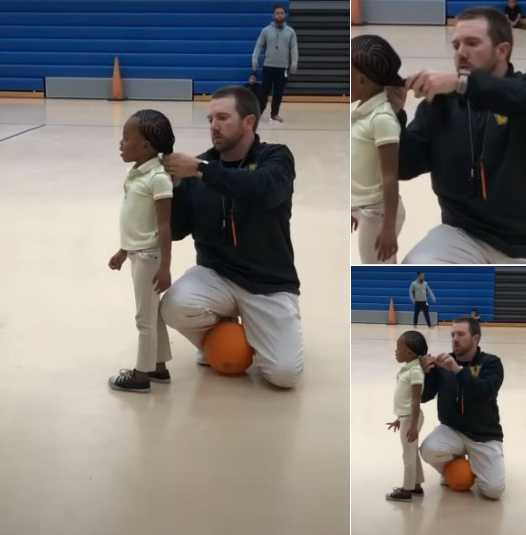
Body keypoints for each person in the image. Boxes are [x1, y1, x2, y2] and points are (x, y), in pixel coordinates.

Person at [160, 86, 303, 389]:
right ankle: (220, 334)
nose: (214, 125)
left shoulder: (276, 158)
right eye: (211, 118)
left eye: (223, 117)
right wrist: (166, 191)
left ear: (249, 121)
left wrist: (201, 171)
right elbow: (178, 230)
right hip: (216, 275)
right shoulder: (196, 170)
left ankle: (252, 334)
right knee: (173, 305)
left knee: (284, 375)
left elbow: (265, 189)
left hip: (268, 283)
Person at [388, 7, 526, 264]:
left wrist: (462, 83)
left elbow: (515, 95)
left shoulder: (520, 90)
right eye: (456, 44)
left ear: (502, 50)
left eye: (472, 43)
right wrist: (393, 115)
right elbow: (405, 166)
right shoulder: (439, 104)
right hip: (462, 235)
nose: (461, 52)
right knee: (415, 272)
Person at [108, 110, 176, 393]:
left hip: (150, 257)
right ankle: (159, 367)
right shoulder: (135, 173)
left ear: (146, 145)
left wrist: (165, 267)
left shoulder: (158, 179)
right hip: (137, 254)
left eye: (126, 138)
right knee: (153, 313)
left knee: (143, 318)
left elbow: (164, 227)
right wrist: (123, 252)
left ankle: (140, 376)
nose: (120, 143)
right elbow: (136, 220)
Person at [419, 317, 505, 500]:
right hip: (453, 429)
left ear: (476, 338)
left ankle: (478, 463)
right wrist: (425, 374)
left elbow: (485, 392)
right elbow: (424, 397)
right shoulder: (442, 366)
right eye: (452, 335)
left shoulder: (491, 363)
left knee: (493, 491)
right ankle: (455, 466)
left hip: (484, 435)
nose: (455, 339)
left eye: (460, 334)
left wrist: (457, 370)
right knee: (429, 448)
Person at [351, 35, 406, 264]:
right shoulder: (363, 110)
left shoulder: (381, 118)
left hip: (378, 213)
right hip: (365, 209)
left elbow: (390, 176)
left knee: (376, 269)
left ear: (362, 80)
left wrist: (388, 227)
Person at [385, 331, 427, 502]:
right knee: (412, 454)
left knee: (407, 457)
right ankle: (416, 486)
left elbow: (416, 401)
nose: (395, 352)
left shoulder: (415, 371)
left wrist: (413, 426)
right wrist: (398, 419)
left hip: (411, 419)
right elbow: (407, 398)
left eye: (398, 348)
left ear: (410, 352)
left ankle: (405, 492)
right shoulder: (409, 369)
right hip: (406, 418)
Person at [251, 3, 299, 123]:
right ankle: (259, 113)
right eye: (277, 13)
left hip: (282, 68)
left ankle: (274, 114)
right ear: (273, 15)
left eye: (282, 13)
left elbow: (294, 48)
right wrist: (254, 59)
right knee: (264, 93)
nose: (279, 15)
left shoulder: (290, 32)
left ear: (285, 15)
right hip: (268, 67)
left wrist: (294, 63)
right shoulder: (266, 30)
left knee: (278, 93)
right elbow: (259, 46)